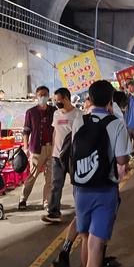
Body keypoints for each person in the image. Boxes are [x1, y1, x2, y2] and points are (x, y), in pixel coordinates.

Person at [72, 80, 132, 267]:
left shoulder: (79, 120)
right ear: (110, 100)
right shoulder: (116, 124)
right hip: (105, 188)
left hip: (81, 188)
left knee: (85, 237)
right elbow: (122, 160)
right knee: (97, 241)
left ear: (90, 98)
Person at [46, 87, 81, 223]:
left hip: (72, 156)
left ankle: (80, 212)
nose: (57, 103)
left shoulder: (78, 114)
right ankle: (53, 212)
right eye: (55, 100)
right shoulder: (57, 114)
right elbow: (55, 132)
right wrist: (53, 150)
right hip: (57, 156)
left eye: (59, 100)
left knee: (77, 185)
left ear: (66, 98)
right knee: (56, 184)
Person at [19, 86, 54, 211]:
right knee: (32, 175)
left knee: (49, 178)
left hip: (51, 147)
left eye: (45, 94)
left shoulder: (54, 111)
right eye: (40, 94)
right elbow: (26, 131)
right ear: (36, 96)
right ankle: (23, 199)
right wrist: (26, 148)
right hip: (36, 148)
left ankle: (47, 202)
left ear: (48, 96)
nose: (43, 97)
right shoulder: (31, 112)